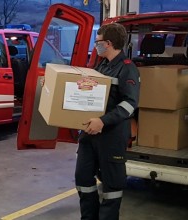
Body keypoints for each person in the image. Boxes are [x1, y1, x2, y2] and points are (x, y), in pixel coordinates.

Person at [75, 23, 140, 220]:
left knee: (112, 187)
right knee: (83, 180)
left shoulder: (128, 69)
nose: (96, 46)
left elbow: (130, 104)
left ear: (108, 43)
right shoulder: (101, 65)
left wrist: (103, 121)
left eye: (98, 42)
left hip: (111, 136)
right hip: (90, 135)